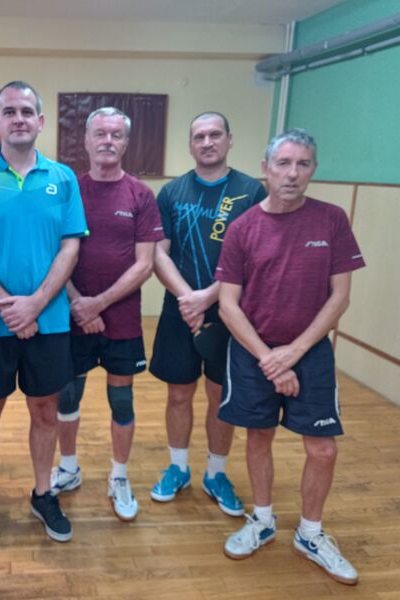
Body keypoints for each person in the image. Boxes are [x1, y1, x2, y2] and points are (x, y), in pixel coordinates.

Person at [0, 81, 87, 550]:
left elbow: (70, 247)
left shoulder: (63, 178)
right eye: (9, 111)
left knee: (45, 409)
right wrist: (11, 306)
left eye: (27, 110)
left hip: (50, 322)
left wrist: (36, 304)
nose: (19, 118)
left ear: (41, 121)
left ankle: (43, 493)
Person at [216, 129, 364, 585]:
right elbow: (227, 305)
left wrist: (294, 352)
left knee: (322, 449)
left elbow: (340, 296)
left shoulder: (332, 220)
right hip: (252, 352)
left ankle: (311, 534)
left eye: (303, 164)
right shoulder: (242, 228)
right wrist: (269, 359)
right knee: (258, 436)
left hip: (310, 352)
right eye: (283, 163)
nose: (292, 173)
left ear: (313, 169)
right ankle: (262, 520)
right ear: (266, 168)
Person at [149, 112, 266, 516]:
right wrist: (188, 298)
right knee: (178, 393)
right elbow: (158, 253)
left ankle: (216, 474)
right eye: (199, 136)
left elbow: (254, 258)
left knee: (220, 395)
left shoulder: (251, 192)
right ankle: (178, 468)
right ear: (190, 144)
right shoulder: (171, 192)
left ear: (229, 140)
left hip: (231, 313)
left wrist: (208, 298)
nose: (207, 142)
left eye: (215, 134)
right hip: (178, 309)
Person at [50, 107, 163, 521]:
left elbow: (145, 264)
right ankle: (68, 468)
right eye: (100, 133)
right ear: (86, 140)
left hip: (122, 320)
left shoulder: (140, 195)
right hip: (72, 315)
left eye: (116, 135)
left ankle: (119, 476)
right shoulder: (68, 189)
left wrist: (96, 304)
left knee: (121, 400)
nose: (108, 141)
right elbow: (54, 253)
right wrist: (78, 303)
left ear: (126, 143)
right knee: (68, 396)